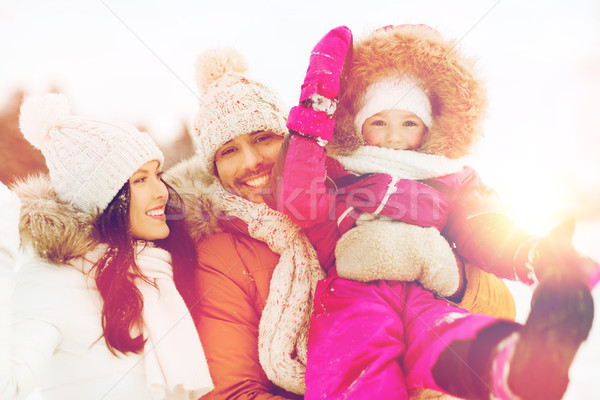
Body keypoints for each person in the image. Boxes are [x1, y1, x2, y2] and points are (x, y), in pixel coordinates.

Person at [166, 45, 521, 400]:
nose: (250, 162)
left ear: (291, 139)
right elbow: (232, 392)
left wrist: (452, 275)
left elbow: (501, 307)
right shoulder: (220, 254)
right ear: (214, 167)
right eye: (228, 151)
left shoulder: (356, 194)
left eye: (263, 138)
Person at [274, 25, 599, 400]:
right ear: (359, 124)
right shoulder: (340, 170)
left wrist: (532, 253)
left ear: (427, 127)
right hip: (357, 293)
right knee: (355, 359)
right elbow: (299, 200)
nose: (394, 137)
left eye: (409, 123)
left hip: (429, 287)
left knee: (449, 335)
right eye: (379, 122)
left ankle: (515, 365)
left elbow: (483, 227)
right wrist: (315, 109)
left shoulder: (447, 176)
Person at [0, 94, 213, 400]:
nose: (161, 193)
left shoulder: (157, 272)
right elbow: (8, 386)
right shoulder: (52, 282)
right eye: (140, 180)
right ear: (101, 200)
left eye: (158, 175)